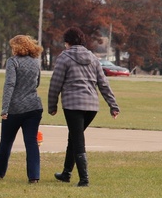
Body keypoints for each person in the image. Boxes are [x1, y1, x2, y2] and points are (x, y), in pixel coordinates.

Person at [47, 27, 120, 187]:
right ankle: (66, 173)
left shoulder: (64, 57)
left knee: (77, 140)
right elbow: (103, 83)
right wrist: (113, 105)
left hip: (73, 105)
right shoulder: (93, 58)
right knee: (73, 137)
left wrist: (52, 105)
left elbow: (55, 83)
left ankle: (84, 179)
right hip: (92, 106)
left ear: (68, 42)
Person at [0, 35, 44, 182]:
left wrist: (5, 109)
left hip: (15, 108)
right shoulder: (36, 62)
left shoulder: (13, 62)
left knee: (6, 141)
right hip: (34, 107)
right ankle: (34, 176)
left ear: (17, 47)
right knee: (31, 142)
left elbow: (9, 85)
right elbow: (37, 83)